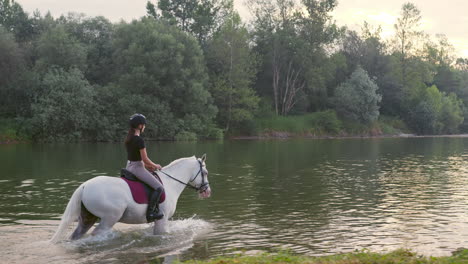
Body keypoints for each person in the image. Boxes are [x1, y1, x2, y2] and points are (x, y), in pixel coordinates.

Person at [125, 113, 164, 222]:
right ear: (140, 126)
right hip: (137, 168)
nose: (145, 127)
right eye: (144, 125)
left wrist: (148, 166)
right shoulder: (139, 140)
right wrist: (155, 165)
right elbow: (145, 159)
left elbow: (136, 157)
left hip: (129, 166)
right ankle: (151, 213)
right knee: (159, 187)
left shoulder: (129, 138)